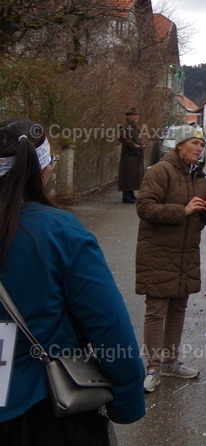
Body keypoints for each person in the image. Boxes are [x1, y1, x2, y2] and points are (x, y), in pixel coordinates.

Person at [0, 119, 145, 442]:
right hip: (46, 407)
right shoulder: (60, 233)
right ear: (44, 169)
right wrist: (127, 402)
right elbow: (109, 327)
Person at [135, 126, 206, 393]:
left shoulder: (199, 178)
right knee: (156, 310)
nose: (199, 148)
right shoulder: (160, 172)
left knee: (178, 309)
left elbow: (202, 219)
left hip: (186, 254)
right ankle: (153, 367)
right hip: (158, 252)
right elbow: (145, 208)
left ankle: (170, 363)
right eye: (195, 143)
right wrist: (182, 210)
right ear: (180, 145)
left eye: (202, 144)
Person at [117, 107, 145, 203]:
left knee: (133, 177)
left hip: (135, 155)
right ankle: (127, 196)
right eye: (134, 115)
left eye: (137, 115)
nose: (136, 117)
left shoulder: (134, 126)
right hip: (129, 156)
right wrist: (134, 145)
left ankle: (131, 195)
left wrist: (141, 144)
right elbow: (122, 138)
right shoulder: (125, 126)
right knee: (128, 176)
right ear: (128, 116)